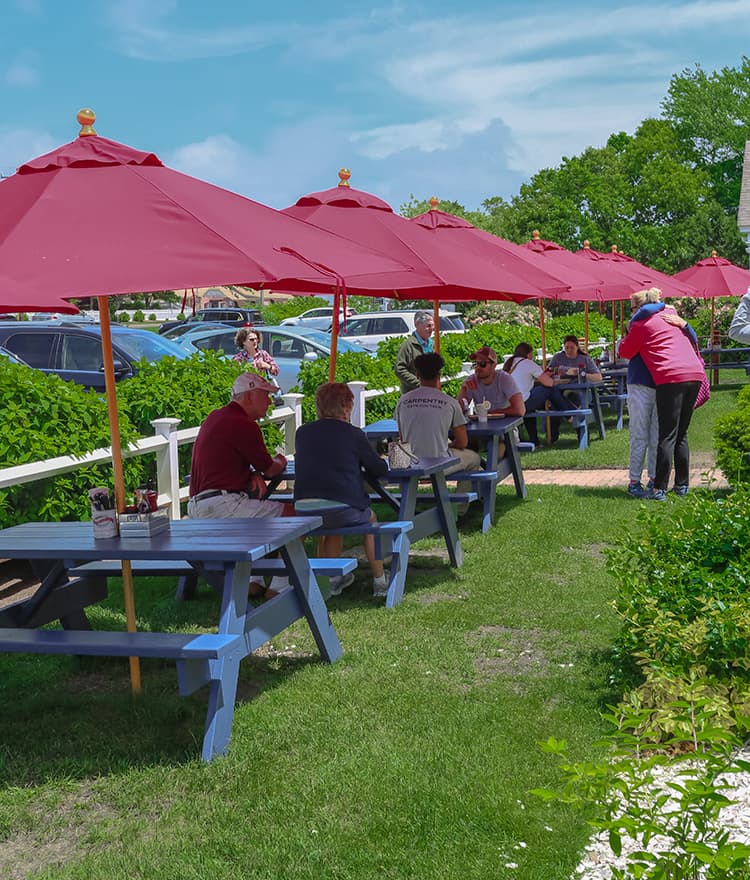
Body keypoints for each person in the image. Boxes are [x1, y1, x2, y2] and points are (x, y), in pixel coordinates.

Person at [187, 371, 289, 596]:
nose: (270, 401)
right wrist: (282, 460)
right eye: (265, 395)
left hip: (197, 506)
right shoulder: (243, 423)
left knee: (259, 520)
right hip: (222, 505)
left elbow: (228, 459)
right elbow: (270, 469)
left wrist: (250, 473)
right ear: (250, 396)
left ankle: (253, 580)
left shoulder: (215, 416)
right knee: (293, 517)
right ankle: (279, 586)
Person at [294, 383, 389, 598]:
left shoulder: (303, 433)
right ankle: (380, 581)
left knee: (330, 525)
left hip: (304, 508)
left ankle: (333, 580)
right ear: (346, 407)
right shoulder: (354, 434)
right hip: (342, 508)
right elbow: (377, 468)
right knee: (370, 521)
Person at [619, 289, 705, 500]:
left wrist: (629, 329)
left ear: (639, 308)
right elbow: (693, 338)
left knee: (666, 435)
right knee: (681, 434)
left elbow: (624, 352)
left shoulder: (642, 323)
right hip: (695, 374)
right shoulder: (673, 318)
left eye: (632, 308)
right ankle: (682, 486)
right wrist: (684, 323)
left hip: (670, 376)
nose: (631, 312)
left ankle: (658, 489)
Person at [396, 352, 482, 477]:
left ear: (418, 375)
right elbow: (462, 442)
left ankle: (410, 490)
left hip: (410, 463)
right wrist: (448, 445)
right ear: (439, 375)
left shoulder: (402, 401)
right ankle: (461, 490)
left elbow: (402, 437)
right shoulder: (450, 403)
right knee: (474, 458)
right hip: (439, 463)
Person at [501, 342, 576, 446]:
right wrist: (546, 376)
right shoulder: (528, 363)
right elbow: (549, 383)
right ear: (528, 354)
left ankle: (534, 441)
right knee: (550, 389)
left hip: (509, 404)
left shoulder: (509, 363)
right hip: (521, 403)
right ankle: (570, 415)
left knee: (530, 407)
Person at [547, 336, 602, 442]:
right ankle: (554, 436)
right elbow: (548, 372)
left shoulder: (585, 359)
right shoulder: (558, 358)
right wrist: (557, 371)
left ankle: (581, 432)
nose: (569, 350)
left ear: (577, 347)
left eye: (571, 348)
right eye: (566, 348)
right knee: (555, 402)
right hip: (561, 389)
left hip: (581, 391)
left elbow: (598, 377)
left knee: (573, 401)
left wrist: (581, 373)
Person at [457, 346, 525, 417]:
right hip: (482, 423)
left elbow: (520, 410)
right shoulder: (471, 381)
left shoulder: (504, 379)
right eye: (475, 364)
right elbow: (458, 412)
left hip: (506, 423)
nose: (478, 367)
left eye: (483, 364)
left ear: (493, 365)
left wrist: (490, 414)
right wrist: (463, 389)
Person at [395, 310, 435, 393]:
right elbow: (399, 369)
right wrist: (419, 383)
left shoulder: (433, 344)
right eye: (428, 326)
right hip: (413, 393)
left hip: (430, 392)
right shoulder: (408, 345)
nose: (431, 329)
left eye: (432, 325)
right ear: (417, 325)